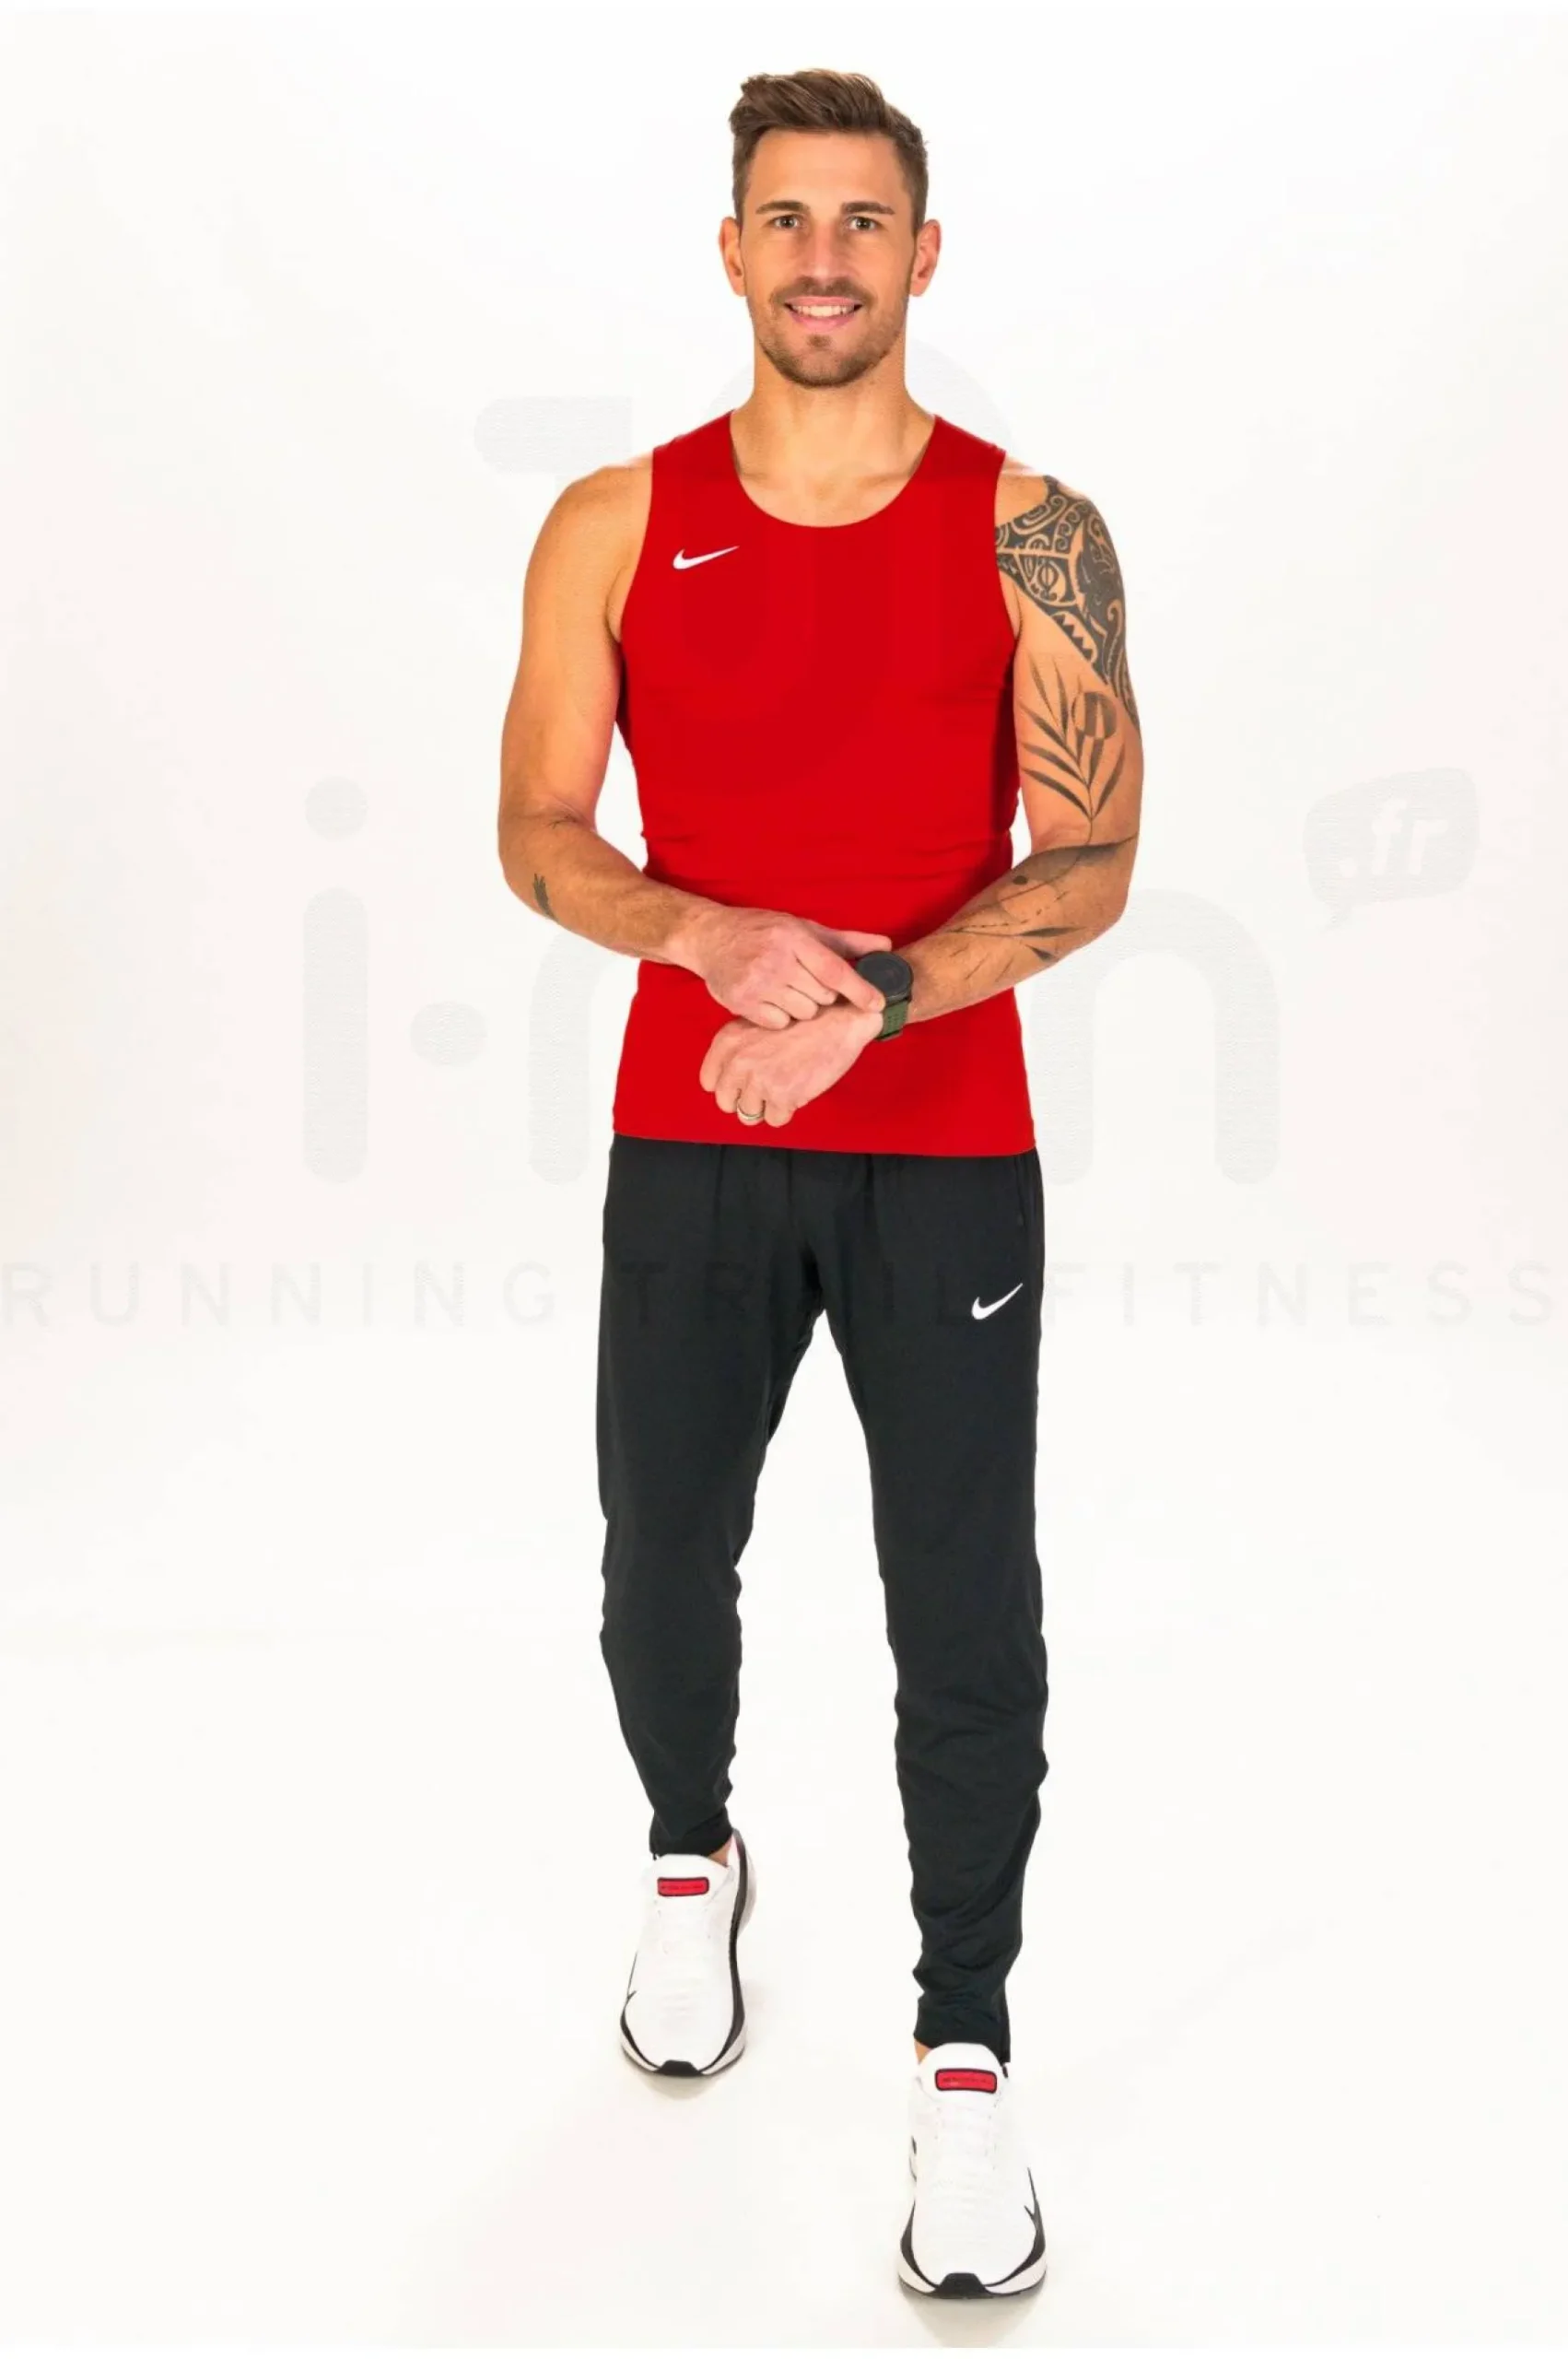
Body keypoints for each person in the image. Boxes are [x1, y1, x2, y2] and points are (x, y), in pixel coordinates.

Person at [497, 65, 1141, 2302]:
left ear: (922, 254)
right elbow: (538, 831)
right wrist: (700, 929)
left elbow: (1091, 855)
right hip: (692, 1131)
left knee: (959, 1606)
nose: (823, 257)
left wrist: (873, 992)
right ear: (729, 249)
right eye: (784, 218)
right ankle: (691, 1860)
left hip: (945, 1146)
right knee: (656, 1560)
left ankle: (962, 2056)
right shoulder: (613, 517)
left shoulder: (1029, 526)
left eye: (862, 220)